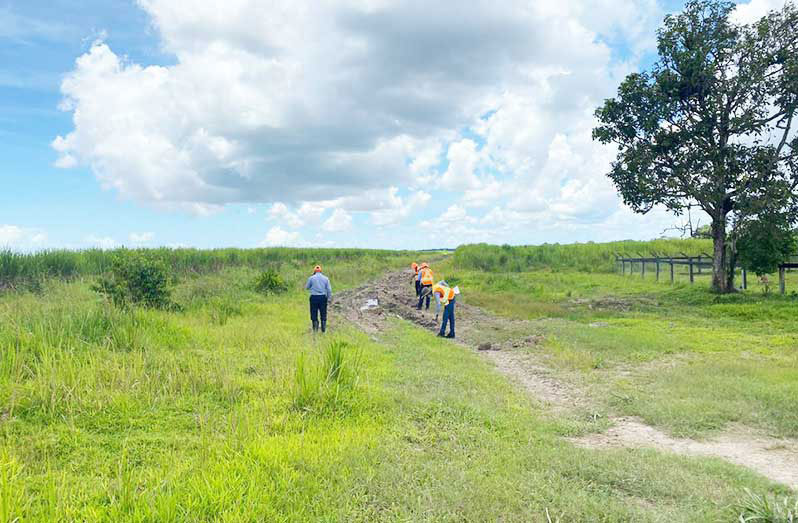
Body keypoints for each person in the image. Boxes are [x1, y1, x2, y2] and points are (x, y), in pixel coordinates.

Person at [305, 265, 332, 333]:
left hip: (314, 297)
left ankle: (315, 330)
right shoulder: (326, 278)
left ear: (314, 271)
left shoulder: (311, 278)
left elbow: (307, 287)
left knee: (314, 313)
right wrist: (329, 298)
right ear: (321, 271)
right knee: (323, 313)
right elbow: (329, 289)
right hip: (323, 297)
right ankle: (323, 330)